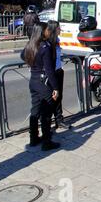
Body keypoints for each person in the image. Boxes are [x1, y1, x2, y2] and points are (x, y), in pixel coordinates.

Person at [21, 22, 61, 151]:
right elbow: (50, 70)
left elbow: (22, 55)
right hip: (43, 82)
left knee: (35, 110)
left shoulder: (31, 44)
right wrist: (56, 88)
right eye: (47, 29)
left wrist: (33, 63)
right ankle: (46, 141)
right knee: (46, 112)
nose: (49, 31)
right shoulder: (45, 46)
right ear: (42, 32)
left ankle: (33, 139)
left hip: (33, 80)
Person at [47, 21, 71, 130]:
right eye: (58, 28)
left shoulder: (57, 40)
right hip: (51, 73)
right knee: (51, 98)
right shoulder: (47, 43)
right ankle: (47, 122)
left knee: (59, 96)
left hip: (58, 70)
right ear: (53, 29)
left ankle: (59, 119)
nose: (60, 29)